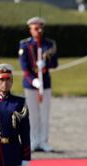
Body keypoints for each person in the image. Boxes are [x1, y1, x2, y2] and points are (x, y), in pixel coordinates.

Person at [19, 16, 58, 152]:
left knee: (45, 114)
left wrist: (46, 63)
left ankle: (43, 141)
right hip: (31, 85)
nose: (39, 31)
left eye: (40, 28)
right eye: (36, 28)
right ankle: (33, 140)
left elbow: (55, 63)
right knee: (33, 115)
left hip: (45, 84)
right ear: (30, 30)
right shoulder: (25, 45)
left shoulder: (49, 45)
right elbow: (24, 68)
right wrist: (33, 81)